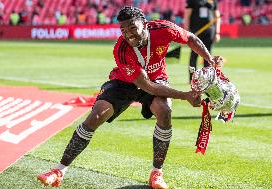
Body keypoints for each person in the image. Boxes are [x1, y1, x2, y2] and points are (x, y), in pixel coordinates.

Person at [37, 6, 222, 189]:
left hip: (156, 77)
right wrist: (185, 96)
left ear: (144, 24)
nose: (128, 34)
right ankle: (58, 171)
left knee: (164, 112)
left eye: (132, 28)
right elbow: (147, 86)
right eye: (123, 30)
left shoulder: (164, 29)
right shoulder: (121, 50)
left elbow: (190, 38)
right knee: (96, 116)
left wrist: (209, 58)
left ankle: (156, 174)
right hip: (125, 82)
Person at [183, 0, 221, 82]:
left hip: (209, 31)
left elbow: (217, 16)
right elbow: (187, 16)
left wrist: (217, 32)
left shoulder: (213, 1)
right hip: (196, 32)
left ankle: (206, 79)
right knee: (194, 55)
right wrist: (186, 32)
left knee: (208, 55)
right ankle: (192, 79)